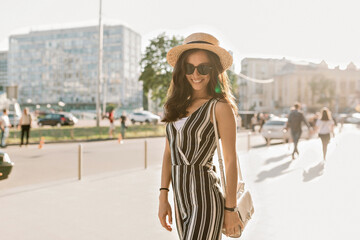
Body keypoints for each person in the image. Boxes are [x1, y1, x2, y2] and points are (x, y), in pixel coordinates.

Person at [158, 32, 243, 239]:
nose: (196, 74)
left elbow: (231, 160)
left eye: (203, 68)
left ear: (214, 70)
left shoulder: (220, 107)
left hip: (205, 197)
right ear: (181, 70)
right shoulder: (175, 106)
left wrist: (230, 210)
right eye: (189, 68)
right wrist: (163, 197)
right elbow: (169, 154)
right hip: (180, 199)